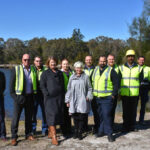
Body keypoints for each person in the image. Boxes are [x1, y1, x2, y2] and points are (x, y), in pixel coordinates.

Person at [10, 54, 37, 146]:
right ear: (22, 60)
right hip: (19, 97)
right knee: (15, 118)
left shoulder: (33, 69)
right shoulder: (16, 69)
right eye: (25, 60)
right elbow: (11, 86)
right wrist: (16, 98)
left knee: (29, 118)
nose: (27, 61)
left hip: (30, 97)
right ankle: (14, 137)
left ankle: (28, 134)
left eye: (28, 60)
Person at [92, 56, 119, 142]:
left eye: (104, 61)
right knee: (99, 116)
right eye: (101, 61)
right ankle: (100, 131)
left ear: (106, 62)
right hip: (96, 97)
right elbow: (90, 81)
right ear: (98, 61)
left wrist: (113, 94)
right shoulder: (95, 70)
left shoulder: (111, 70)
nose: (102, 63)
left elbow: (116, 83)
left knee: (107, 115)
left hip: (107, 98)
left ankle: (109, 134)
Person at [65, 61, 93, 140]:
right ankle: (76, 131)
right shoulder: (72, 77)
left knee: (81, 117)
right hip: (73, 100)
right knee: (75, 117)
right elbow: (69, 89)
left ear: (82, 68)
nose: (78, 69)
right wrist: (67, 100)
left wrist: (89, 96)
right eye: (77, 67)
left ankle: (80, 132)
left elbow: (90, 88)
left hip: (82, 100)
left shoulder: (86, 77)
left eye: (80, 67)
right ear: (74, 68)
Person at [40, 56, 64, 146]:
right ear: (48, 63)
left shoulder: (60, 73)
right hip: (49, 99)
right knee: (52, 116)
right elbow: (42, 85)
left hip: (59, 98)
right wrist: (46, 93)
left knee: (57, 116)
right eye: (51, 62)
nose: (53, 64)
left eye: (54, 62)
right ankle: (54, 137)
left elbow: (62, 85)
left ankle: (50, 132)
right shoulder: (45, 73)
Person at [119, 50, 143, 133]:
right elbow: (118, 81)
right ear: (126, 57)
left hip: (135, 94)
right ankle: (125, 127)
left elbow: (141, 81)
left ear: (134, 57)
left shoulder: (139, 68)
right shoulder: (121, 68)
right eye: (129, 56)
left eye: (132, 56)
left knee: (133, 111)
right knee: (125, 111)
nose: (130, 58)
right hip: (124, 94)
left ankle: (132, 126)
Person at [32, 56, 48, 136]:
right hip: (34, 94)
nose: (38, 63)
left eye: (40, 61)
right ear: (34, 62)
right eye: (37, 61)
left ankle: (45, 129)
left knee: (44, 112)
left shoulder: (45, 70)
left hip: (43, 94)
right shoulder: (31, 69)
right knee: (33, 113)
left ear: (42, 62)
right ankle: (33, 129)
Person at [60, 59, 72, 137]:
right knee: (63, 113)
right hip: (62, 96)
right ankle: (63, 130)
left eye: (67, 64)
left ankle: (69, 129)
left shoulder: (71, 73)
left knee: (69, 113)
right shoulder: (59, 73)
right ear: (61, 65)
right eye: (64, 64)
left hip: (70, 95)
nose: (65, 65)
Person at [107, 54, 119, 126]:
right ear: (107, 60)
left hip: (114, 94)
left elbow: (119, 81)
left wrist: (115, 93)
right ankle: (106, 126)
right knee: (106, 112)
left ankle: (111, 126)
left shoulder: (118, 68)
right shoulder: (104, 68)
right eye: (110, 59)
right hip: (106, 94)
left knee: (112, 111)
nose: (111, 60)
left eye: (112, 59)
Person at [84, 56, 95, 133]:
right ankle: (84, 127)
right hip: (84, 94)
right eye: (87, 60)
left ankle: (97, 127)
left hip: (95, 93)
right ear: (85, 61)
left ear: (92, 60)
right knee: (84, 111)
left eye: (90, 60)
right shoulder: (82, 69)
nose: (88, 61)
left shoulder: (96, 69)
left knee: (96, 111)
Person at [137, 56, 150, 125]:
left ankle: (141, 120)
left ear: (144, 61)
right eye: (140, 60)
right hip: (136, 89)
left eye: (143, 60)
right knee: (134, 105)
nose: (141, 61)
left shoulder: (148, 68)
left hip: (145, 89)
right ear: (138, 60)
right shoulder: (135, 68)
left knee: (143, 106)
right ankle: (133, 121)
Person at [0, 70, 6, 141]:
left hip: (0, 97)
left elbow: (3, 86)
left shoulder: (2, 74)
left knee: (1, 116)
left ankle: (2, 134)